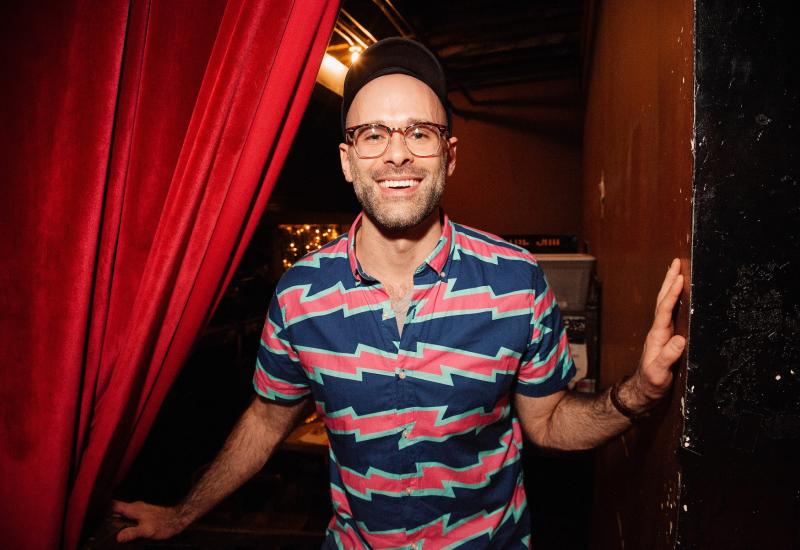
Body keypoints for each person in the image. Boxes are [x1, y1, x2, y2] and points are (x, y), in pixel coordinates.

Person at [113, 37, 686, 548]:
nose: (396, 154)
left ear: (450, 155)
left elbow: (549, 423)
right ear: (347, 159)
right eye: (372, 135)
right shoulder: (299, 297)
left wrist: (640, 391)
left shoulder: (516, 281)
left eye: (420, 132)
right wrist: (180, 515)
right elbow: (265, 423)